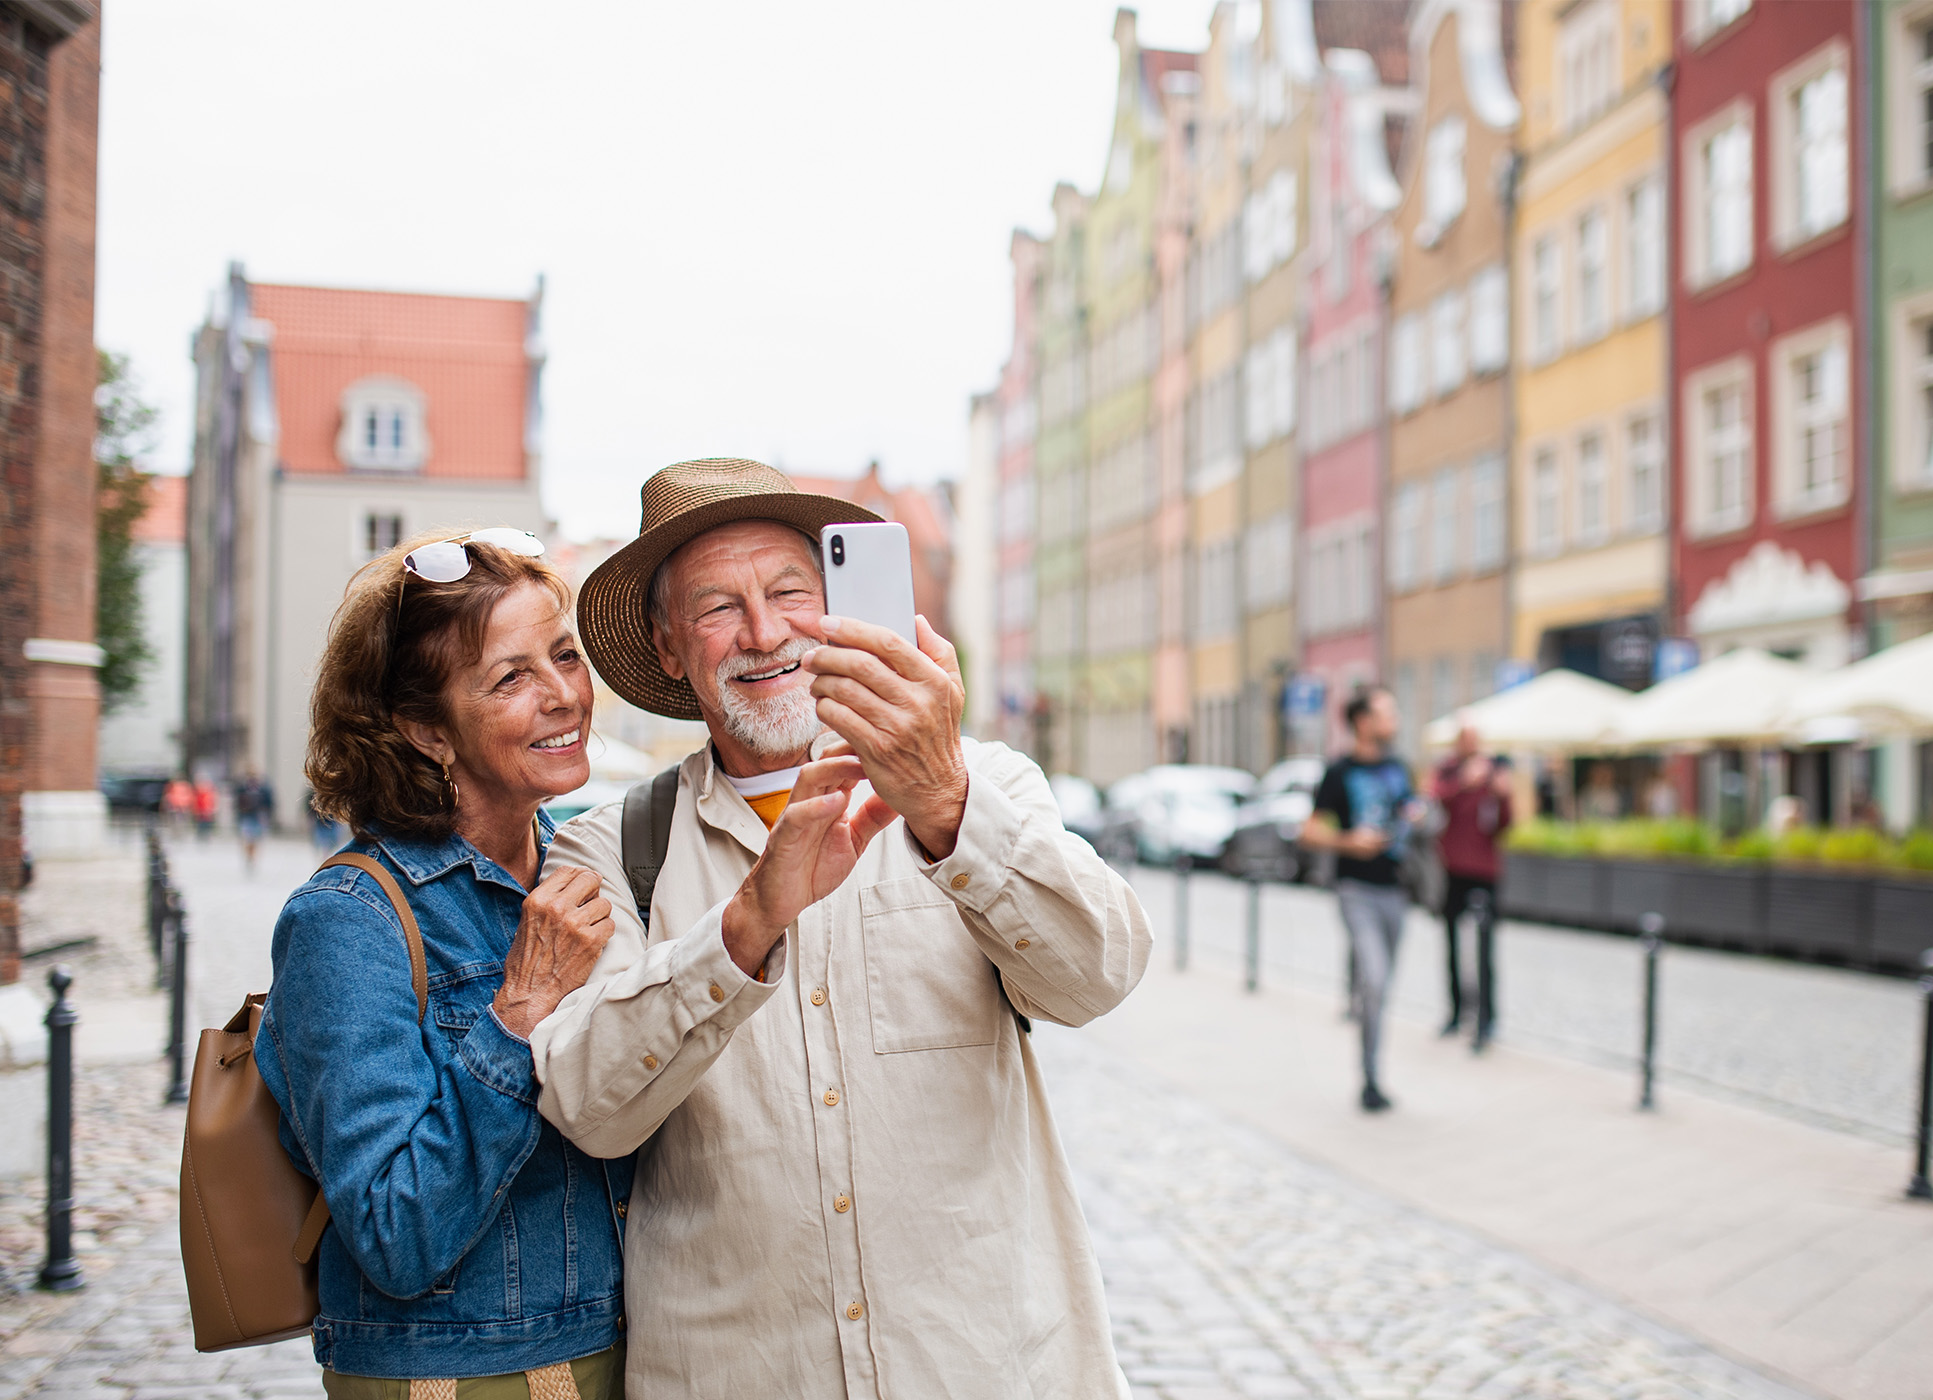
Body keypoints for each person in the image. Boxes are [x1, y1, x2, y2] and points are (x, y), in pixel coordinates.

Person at [531, 458, 1150, 1398]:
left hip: (982, 1365)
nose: (765, 632)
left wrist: (945, 803)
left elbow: (1097, 976)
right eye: (717, 607)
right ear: (666, 647)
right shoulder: (610, 851)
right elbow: (590, 1108)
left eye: (790, 592)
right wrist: (749, 924)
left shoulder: (983, 784)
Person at [254, 526, 632, 1395]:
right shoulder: (347, 923)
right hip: (459, 1376)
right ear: (426, 730)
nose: (563, 695)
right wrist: (520, 1010)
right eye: (511, 677)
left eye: (564, 656)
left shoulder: (592, 865)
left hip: (617, 1351)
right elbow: (395, 1232)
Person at [1299, 685, 1420, 1113]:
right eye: (1388, 712)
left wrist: (1416, 815)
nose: (1396, 720)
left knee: (1381, 987)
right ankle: (1369, 1079)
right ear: (1363, 722)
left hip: (1396, 891)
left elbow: (1410, 807)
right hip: (1356, 890)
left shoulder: (1400, 768)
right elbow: (1308, 831)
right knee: (1375, 978)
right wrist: (1350, 841)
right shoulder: (1339, 772)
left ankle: (1372, 1063)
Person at [1430, 722, 1512, 1050]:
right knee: (1451, 942)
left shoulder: (1494, 773)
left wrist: (1502, 795)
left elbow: (1505, 823)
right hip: (1452, 867)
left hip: (1485, 870)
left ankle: (1487, 1018)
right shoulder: (1447, 772)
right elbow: (1435, 802)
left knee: (1485, 947)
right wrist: (1464, 783)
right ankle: (1455, 1011)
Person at [234, 769, 274, 871]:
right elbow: (237, 802)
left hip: (259, 816)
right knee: (247, 838)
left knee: (256, 839)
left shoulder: (263, 789)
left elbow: (269, 802)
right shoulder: (242, 788)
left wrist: (267, 815)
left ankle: (253, 856)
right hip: (247, 815)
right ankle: (249, 856)